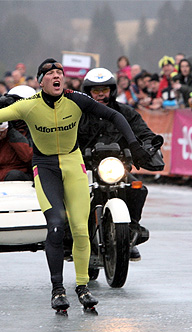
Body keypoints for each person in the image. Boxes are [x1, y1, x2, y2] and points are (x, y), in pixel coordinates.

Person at [0, 58, 151, 312]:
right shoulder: (29, 106)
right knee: (56, 225)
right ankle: (58, 290)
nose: (57, 76)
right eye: (50, 73)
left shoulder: (76, 99)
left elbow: (114, 115)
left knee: (80, 228)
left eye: (60, 73)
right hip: (45, 168)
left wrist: (134, 145)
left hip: (73, 164)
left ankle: (82, 287)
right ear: (40, 81)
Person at [79, 67, 161, 261]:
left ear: (112, 91)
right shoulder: (78, 113)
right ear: (87, 92)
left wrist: (148, 145)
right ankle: (68, 237)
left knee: (137, 188)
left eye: (104, 90)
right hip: (84, 167)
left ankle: (129, 234)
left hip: (116, 167)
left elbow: (145, 133)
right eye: (95, 90)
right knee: (69, 193)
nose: (100, 94)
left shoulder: (125, 112)